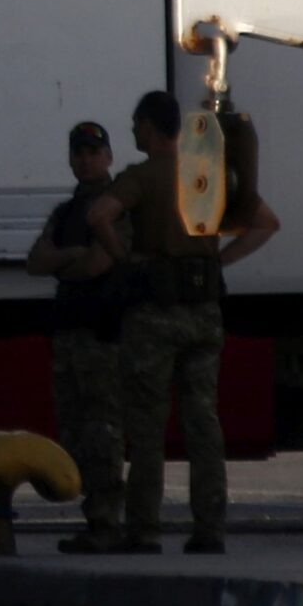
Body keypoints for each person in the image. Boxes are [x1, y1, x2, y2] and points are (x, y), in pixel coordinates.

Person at [85, 89, 280, 555]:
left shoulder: (142, 176)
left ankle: (145, 529)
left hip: (154, 314)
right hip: (204, 312)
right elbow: (266, 222)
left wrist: (124, 259)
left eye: (136, 125)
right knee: (203, 423)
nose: (133, 131)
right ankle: (210, 528)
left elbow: (99, 215)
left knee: (147, 426)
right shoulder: (207, 172)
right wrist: (219, 261)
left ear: (149, 126)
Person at [28, 120, 127, 553]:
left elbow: (97, 265)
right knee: (74, 434)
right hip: (69, 337)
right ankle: (95, 520)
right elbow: (35, 260)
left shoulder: (116, 206)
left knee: (103, 432)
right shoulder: (67, 213)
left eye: (93, 152)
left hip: (101, 337)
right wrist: (70, 254)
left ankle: (107, 523)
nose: (86, 160)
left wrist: (62, 261)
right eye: (79, 153)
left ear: (108, 157)